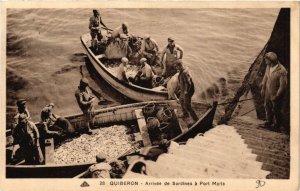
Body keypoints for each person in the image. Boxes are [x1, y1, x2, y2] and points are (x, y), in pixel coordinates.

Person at [261, 52, 288, 131]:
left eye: (266, 59)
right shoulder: (268, 66)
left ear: (271, 60)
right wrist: (263, 88)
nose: (265, 61)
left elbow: (283, 86)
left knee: (276, 109)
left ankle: (277, 125)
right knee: (267, 105)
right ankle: (269, 121)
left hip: (276, 93)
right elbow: (265, 77)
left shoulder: (282, 70)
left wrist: (277, 95)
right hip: (268, 91)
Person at [175, 59, 198, 124]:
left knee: (188, 105)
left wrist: (185, 91)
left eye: (177, 66)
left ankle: (195, 119)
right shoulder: (182, 71)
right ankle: (185, 114)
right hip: (184, 89)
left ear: (180, 66)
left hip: (188, 91)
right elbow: (182, 81)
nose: (176, 68)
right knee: (181, 100)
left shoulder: (185, 72)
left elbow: (188, 83)